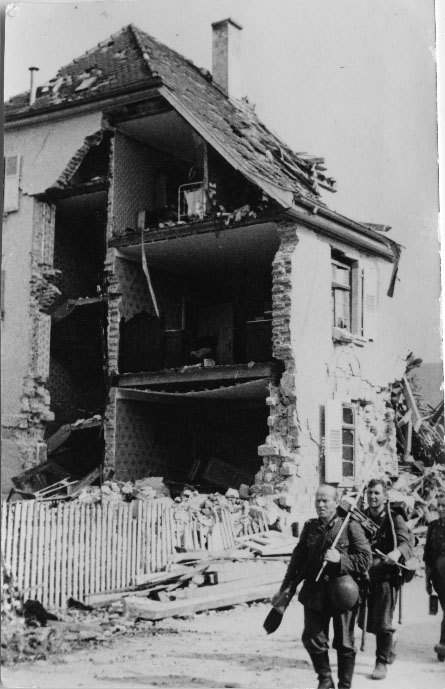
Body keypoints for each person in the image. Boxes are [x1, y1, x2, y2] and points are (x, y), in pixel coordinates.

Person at [271, 484, 372, 689]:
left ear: (336, 502)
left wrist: (341, 559)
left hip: (342, 591)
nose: (321, 504)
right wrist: (284, 589)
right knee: (312, 638)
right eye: (318, 500)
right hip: (315, 591)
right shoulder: (310, 527)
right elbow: (297, 561)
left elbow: (365, 559)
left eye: (325, 500)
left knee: (344, 643)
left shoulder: (349, 525)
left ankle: (344, 685)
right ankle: (325, 680)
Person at [362, 478, 413, 680]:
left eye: (377, 493)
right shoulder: (361, 517)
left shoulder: (394, 518)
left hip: (386, 576)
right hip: (365, 575)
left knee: (382, 622)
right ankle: (390, 640)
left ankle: (381, 662)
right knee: (365, 623)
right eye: (370, 493)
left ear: (385, 496)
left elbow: (406, 543)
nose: (372, 497)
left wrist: (397, 553)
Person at [424, 492, 445, 661]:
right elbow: (427, 554)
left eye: (444, 505)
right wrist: (427, 580)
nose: (441, 509)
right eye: (439, 505)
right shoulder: (433, 526)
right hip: (439, 576)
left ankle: (443, 644)